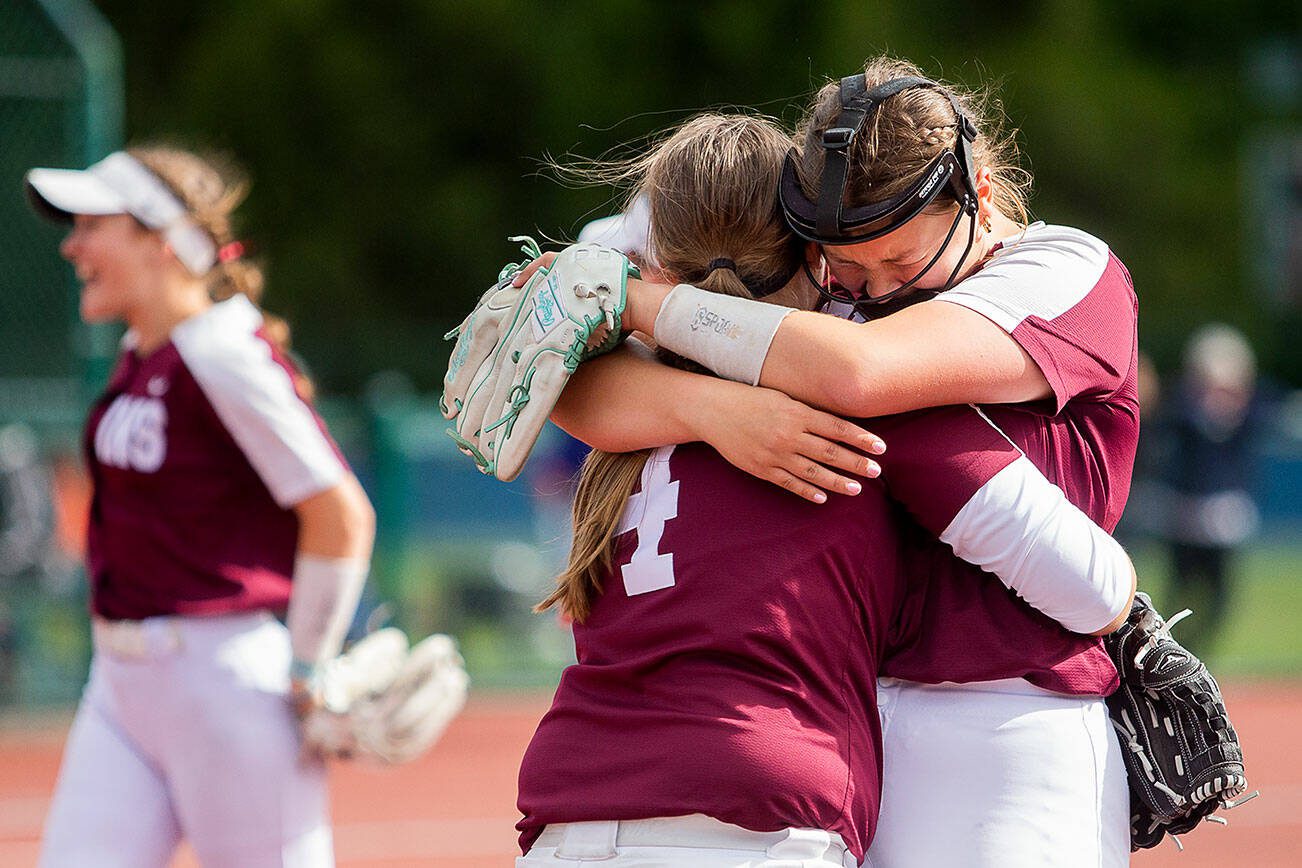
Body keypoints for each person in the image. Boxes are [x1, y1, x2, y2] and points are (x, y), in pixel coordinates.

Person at [517, 56, 1140, 866]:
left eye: (902, 264)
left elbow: (862, 374)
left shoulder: (1063, 266)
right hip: (850, 727)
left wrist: (643, 304)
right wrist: (721, 410)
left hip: (1011, 717)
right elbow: (578, 391)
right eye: (848, 268)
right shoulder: (811, 323)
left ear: (980, 192)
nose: (874, 291)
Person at [26, 147, 376, 867]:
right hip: (121, 684)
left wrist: (311, 668)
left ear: (160, 240)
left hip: (222, 682)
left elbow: (340, 513)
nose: (73, 245)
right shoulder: (144, 349)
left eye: (94, 224)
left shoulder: (221, 351)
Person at [1156, 323, 1271, 654]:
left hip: (1224, 519)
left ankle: (1193, 652)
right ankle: (1171, 651)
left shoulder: (1251, 411)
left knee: (1219, 599)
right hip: (1186, 514)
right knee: (1179, 591)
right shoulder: (1181, 409)